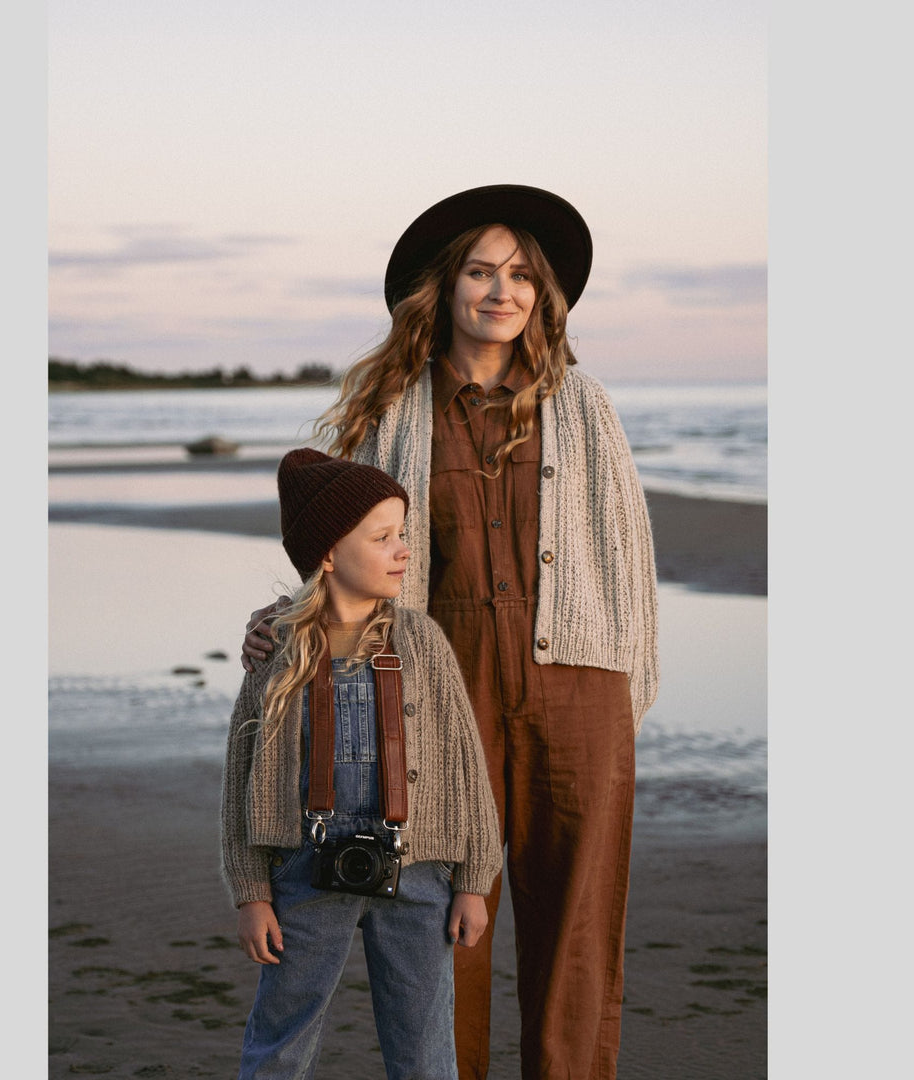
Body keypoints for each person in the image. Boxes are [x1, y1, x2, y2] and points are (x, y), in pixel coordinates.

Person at [242, 185, 659, 1080]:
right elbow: (346, 542)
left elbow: (629, 560)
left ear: (541, 296)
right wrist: (289, 622)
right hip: (437, 690)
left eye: (519, 275)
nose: (500, 291)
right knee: (440, 923)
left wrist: (627, 694)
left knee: (579, 935)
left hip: (580, 692)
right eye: (481, 271)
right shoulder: (394, 405)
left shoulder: (585, 405)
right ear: (448, 286)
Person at [223, 448, 503, 1080]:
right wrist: (252, 892)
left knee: (425, 1043)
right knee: (281, 1034)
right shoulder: (278, 652)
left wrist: (475, 880)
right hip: (303, 871)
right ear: (328, 553)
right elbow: (240, 781)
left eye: (403, 533)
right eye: (383, 538)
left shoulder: (423, 643)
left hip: (420, 872)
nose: (404, 549)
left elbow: (466, 769)